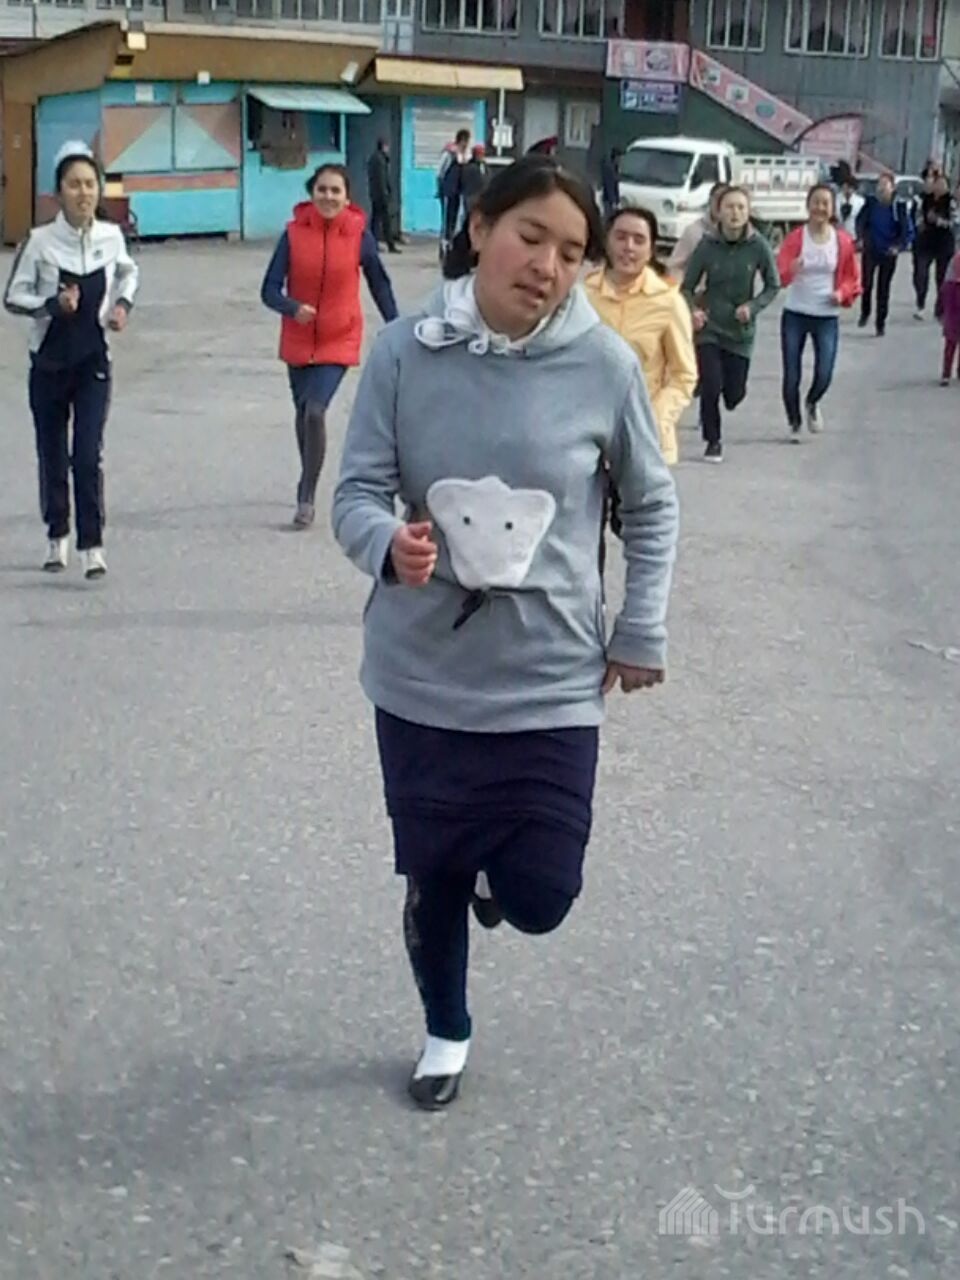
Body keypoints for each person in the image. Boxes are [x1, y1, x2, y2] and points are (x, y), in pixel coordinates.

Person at [332, 156, 679, 1111]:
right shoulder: (403, 352)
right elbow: (356, 491)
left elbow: (651, 505)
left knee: (540, 896)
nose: (549, 266)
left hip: (551, 678)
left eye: (572, 252)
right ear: (481, 228)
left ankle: (498, 878)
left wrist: (640, 625)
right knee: (434, 870)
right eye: (532, 238)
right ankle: (445, 1031)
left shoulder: (603, 364)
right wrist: (384, 543)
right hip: (422, 677)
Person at [3, 140, 139, 579]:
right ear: (58, 191)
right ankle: (56, 534)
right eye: (74, 184)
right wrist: (51, 304)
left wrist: (122, 306)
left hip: (93, 362)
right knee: (53, 455)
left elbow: (128, 272)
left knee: (86, 455)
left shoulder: (110, 237)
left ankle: (92, 545)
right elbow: (13, 297)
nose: (83, 192)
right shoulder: (40, 242)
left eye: (90, 184)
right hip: (48, 365)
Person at [260, 163, 398, 529]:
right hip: (298, 336)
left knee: (315, 412)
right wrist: (292, 308)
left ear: (347, 197)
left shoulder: (358, 235)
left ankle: (305, 495)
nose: (328, 196)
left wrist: (395, 325)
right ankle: (307, 476)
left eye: (336, 191)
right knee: (303, 413)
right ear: (312, 193)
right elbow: (269, 290)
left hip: (339, 336)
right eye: (322, 189)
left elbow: (379, 283)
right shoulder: (292, 235)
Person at [584, 206, 696, 466]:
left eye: (639, 240)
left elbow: (683, 374)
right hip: (588, 434)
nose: (629, 247)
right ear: (607, 241)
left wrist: (654, 418)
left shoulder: (668, 301)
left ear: (651, 249)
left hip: (647, 441)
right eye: (621, 237)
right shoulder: (582, 296)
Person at [681, 186, 779, 463]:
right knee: (711, 385)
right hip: (710, 326)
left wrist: (752, 307)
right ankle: (713, 441)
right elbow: (686, 287)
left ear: (748, 212)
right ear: (718, 211)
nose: (735, 213)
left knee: (734, 394)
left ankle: (731, 393)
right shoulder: (707, 245)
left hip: (740, 331)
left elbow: (773, 285)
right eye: (729, 207)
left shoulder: (758, 245)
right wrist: (693, 311)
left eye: (740, 208)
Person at [776, 184, 862, 440]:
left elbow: (853, 277)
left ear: (832, 208)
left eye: (825, 203)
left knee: (824, 372)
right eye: (815, 202)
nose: (820, 208)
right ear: (807, 206)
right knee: (792, 374)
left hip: (826, 315)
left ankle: (812, 402)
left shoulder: (842, 241)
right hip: (795, 313)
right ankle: (794, 421)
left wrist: (841, 294)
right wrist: (791, 269)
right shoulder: (795, 238)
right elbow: (779, 275)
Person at [856, 172, 912, 337]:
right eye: (879, 185)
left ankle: (880, 323)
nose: (881, 188)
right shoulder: (871, 203)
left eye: (884, 185)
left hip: (888, 252)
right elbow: (860, 221)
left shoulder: (898, 206)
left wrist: (898, 246)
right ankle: (865, 311)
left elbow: (906, 230)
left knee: (883, 288)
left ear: (892, 187)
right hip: (871, 249)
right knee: (866, 283)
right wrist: (860, 238)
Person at [913, 171, 955, 321]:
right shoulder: (925, 199)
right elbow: (917, 215)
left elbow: (954, 222)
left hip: (944, 243)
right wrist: (920, 224)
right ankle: (920, 303)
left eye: (943, 184)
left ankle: (940, 308)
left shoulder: (951, 202)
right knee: (921, 274)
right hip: (925, 242)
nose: (940, 187)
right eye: (938, 183)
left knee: (941, 277)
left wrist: (938, 221)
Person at [667, 182, 729, 278]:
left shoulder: (741, 235)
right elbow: (674, 266)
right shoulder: (693, 231)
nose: (720, 203)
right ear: (710, 200)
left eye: (725, 199)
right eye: (717, 198)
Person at [437, 129, 472, 256]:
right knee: (447, 220)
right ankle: (444, 245)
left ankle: (451, 243)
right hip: (448, 191)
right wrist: (441, 189)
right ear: (461, 140)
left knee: (454, 219)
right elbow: (440, 172)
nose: (466, 144)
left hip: (458, 191)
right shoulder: (449, 154)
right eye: (465, 141)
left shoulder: (465, 155)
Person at [366, 138, 400, 255]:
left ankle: (373, 244)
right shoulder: (380, 160)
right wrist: (385, 194)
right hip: (381, 195)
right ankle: (390, 244)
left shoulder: (375, 158)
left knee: (375, 220)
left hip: (375, 194)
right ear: (384, 146)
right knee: (385, 221)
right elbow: (382, 179)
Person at [937, 249, 960, 385]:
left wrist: (940, 309)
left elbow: (944, 288)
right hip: (953, 295)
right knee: (951, 340)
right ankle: (947, 372)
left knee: (951, 341)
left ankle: (947, 373)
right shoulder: (956, 260)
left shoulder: (955, 260)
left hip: (951, 296)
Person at [459, 143, 489, 212]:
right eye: (479, 154)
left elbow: (487, 178)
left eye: (482, 154)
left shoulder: (484, 165)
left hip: (481, 195)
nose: (481, 156)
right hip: (471, 195)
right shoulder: (469, 166)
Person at [838, 176, 864, 240]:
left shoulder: (861, 201)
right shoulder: (836, 199)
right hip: (839, 234)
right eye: (844, 187)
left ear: (853, 188)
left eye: (848, 187)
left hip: (854, 235)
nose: (846, 190)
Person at [600, 148, 622, 220]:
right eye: (619, 158)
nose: (620, 160)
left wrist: (617, 200)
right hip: (608, 199)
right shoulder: (609, 168)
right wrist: (613, 201)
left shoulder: (616, 167)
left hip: (612, 199)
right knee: (608, 217)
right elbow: (610, 186)